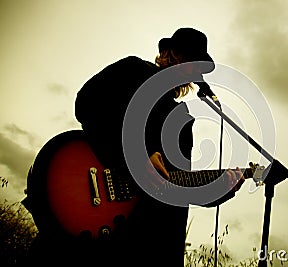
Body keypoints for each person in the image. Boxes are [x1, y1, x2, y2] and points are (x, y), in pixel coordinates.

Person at [23, 27, 246, 266]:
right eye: (191, 59)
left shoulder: (181, 121)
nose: (194, 70)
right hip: (89, 224)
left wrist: (216, 190)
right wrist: (136, 157)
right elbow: (87, 102)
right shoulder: (133, 71)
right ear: (171, 54)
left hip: (140, 243)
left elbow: (175, 187)